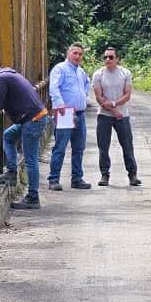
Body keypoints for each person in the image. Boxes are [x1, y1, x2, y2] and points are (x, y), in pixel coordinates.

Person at [0, 61, 49, 210]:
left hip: (33, 120)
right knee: (8, 136)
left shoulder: (1, 79)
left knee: (30, 160)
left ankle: (33, 197)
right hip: (32, 117)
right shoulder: (6, 74)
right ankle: (12, 172)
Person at [92, 47, 140, 187]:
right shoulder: (98, 74)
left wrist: (114, 104)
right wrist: (114, 111)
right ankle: (104, 174)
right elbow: (99, 97)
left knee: (127, 145)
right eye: (105, 57)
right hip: (104, 115)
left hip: (123, 114)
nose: (108, 59)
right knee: (103, 146)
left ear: (117, 59)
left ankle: (132, 174)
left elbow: (127, 95)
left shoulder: (125, 73)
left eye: (111, 57)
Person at [47, 43, 91, 191]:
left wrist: (84, 97)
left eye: (80, 54)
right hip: (65, 112)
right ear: (68, 53)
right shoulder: (60, 69)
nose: (77, 56)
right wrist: (60, 104)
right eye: (75, 53)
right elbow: (54, 87)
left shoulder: (80, 72)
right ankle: (54, 179)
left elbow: (87, 84)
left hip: (80, 113)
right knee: (60, 147)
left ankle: (77, 178)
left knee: (79, 148)